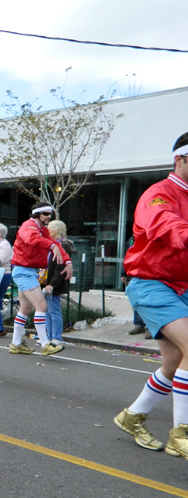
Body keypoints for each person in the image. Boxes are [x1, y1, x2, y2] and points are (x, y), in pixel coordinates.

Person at [115, 132, 188, 460]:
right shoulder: (158, 195)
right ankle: (181, 434)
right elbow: (164, 225)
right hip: (151, 283)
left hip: (182, 287)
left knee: (175, 362)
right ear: (180, 160)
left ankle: (132, 417)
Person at [8, 202, 72, 356]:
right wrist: (51, 246)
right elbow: (32, 239)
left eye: (50, 214)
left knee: (25, 308)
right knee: (42, 306)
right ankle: (45, 344)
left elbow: (55, 244)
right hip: (24, 272)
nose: (48, 217)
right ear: (36, 214)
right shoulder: (29, 226)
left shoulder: (41, 229)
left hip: (28, 271)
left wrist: (67, 261)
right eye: (45, 214)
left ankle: (16, 344)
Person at [42, 220, 75, 350]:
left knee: (54, 310)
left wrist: (52, 284)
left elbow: (61, 266)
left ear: (55, 230)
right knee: (47, 311)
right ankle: (49, 336)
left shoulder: (63, 244)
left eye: (49, 228)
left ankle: (56, 337)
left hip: (55, 282)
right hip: (48, 281)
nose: (47, 230)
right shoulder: (52, 244)